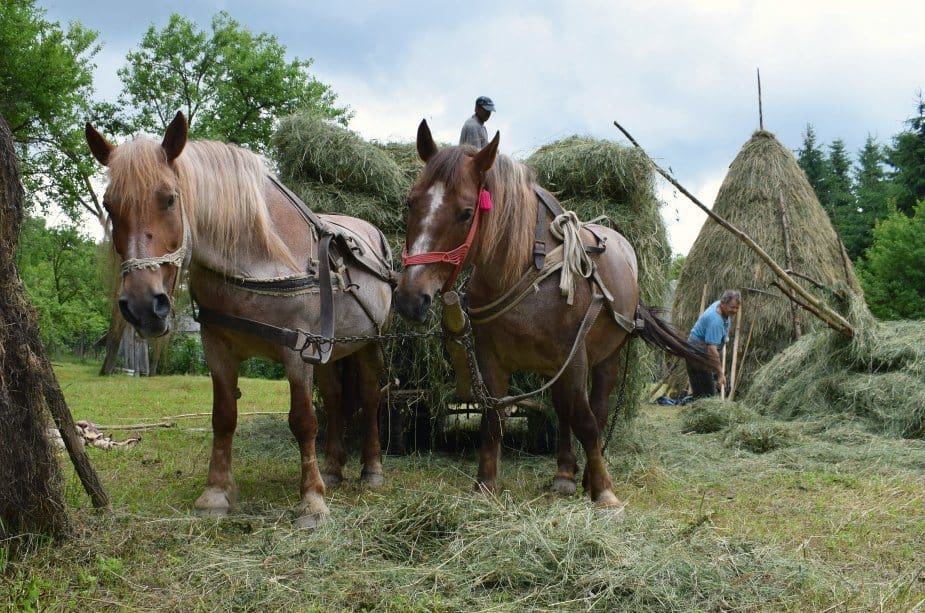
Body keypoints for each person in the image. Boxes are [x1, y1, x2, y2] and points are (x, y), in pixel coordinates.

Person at [686, 289, 741, 398]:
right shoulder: (715, 321)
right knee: (707, 392)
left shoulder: (720, 307)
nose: (734, 310)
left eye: (736, 308)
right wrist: (720, 374)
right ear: (723, 304)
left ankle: (699, 408)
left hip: (700, 350)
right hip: (698, 352)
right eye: (732, 307)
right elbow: (712, 350)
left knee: (701, 392)